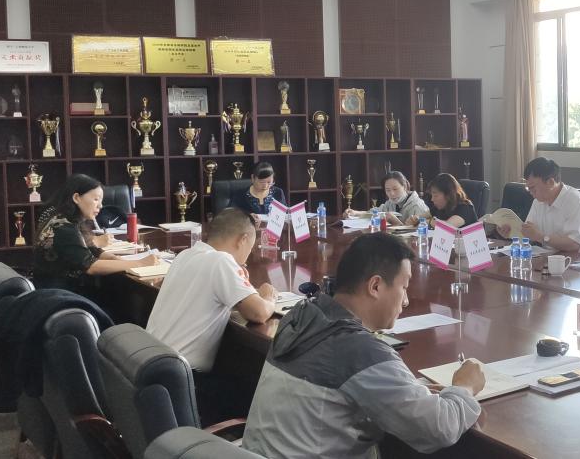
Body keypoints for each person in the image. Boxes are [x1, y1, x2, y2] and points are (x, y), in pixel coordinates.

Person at [243, 233, 485, 458]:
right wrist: (464, 387)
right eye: (404, 287)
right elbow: (438, 427)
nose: (406, 300)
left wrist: (407, 391)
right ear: (375, 286)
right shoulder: (358, 350)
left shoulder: (300, 318)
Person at [146, 208, 277, 424]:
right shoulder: (221, 261)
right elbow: (258, 313)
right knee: (260, 397)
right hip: (184, 382)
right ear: (242, 239)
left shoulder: (186, 255)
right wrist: (268, 297)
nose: (247, 256)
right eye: (250, 248)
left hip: (154, 371)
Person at [31, 173, 157, 295]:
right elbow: (91, 266)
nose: (100, 206)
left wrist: (115, 259)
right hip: (62, 297)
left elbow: (90, 248)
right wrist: (140, 263)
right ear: (76, 198)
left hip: (60, 292)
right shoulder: (63, 227)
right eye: (96, 199)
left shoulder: (62, 217)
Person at [497, 157, 580, 258]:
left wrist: (541, 237)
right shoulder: (538, 201)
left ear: (551, 182)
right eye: (528, 188)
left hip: (578, 262)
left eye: (533, 188)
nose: (530, 192)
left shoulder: (575, 200)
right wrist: (511, 232)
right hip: (548, 257)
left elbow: (574, 244)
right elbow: (528, 233)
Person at [347, 171, 429, 225]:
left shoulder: (417, 205)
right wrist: (355, 213)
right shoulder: (391, 202)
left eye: (395, 189)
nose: (392, 194)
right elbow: (376, 212)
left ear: (404, 187)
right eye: (388, 190)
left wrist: (396, 222)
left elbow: (420, 232)